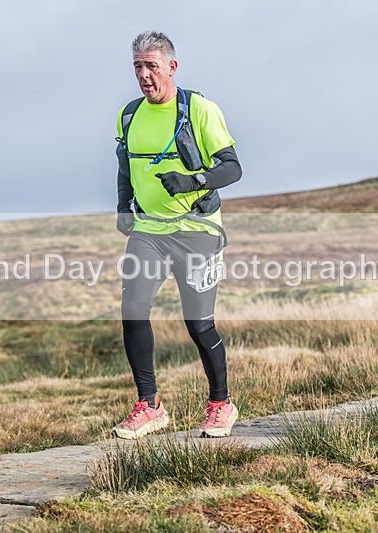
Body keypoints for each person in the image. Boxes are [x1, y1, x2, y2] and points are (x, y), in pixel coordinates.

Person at [111, 30, 242, 439]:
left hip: (197, 229)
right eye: (137, 67)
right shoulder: (129, 114)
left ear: (171, 67)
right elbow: (124, 166)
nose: (144, 75)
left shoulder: (198, 109)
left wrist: (190, 182)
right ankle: (149, 406)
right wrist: (122, 206)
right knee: (133, 308)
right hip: (149, 229)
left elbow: (232, 168)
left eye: (151, 66)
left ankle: (221, 404)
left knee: (198, 323)